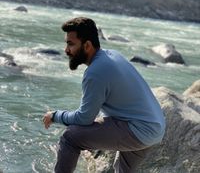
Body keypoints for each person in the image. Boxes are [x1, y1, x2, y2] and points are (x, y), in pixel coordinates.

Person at [43, 17, 165, 173]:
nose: (66, 50)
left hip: (138, 129)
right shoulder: (113, 55)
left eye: (70, 44)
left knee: (70, 137)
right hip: (155, 127)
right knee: (122, 170)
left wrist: (55, 115)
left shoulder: (95, 72)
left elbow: (83, 119)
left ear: (87, 45)